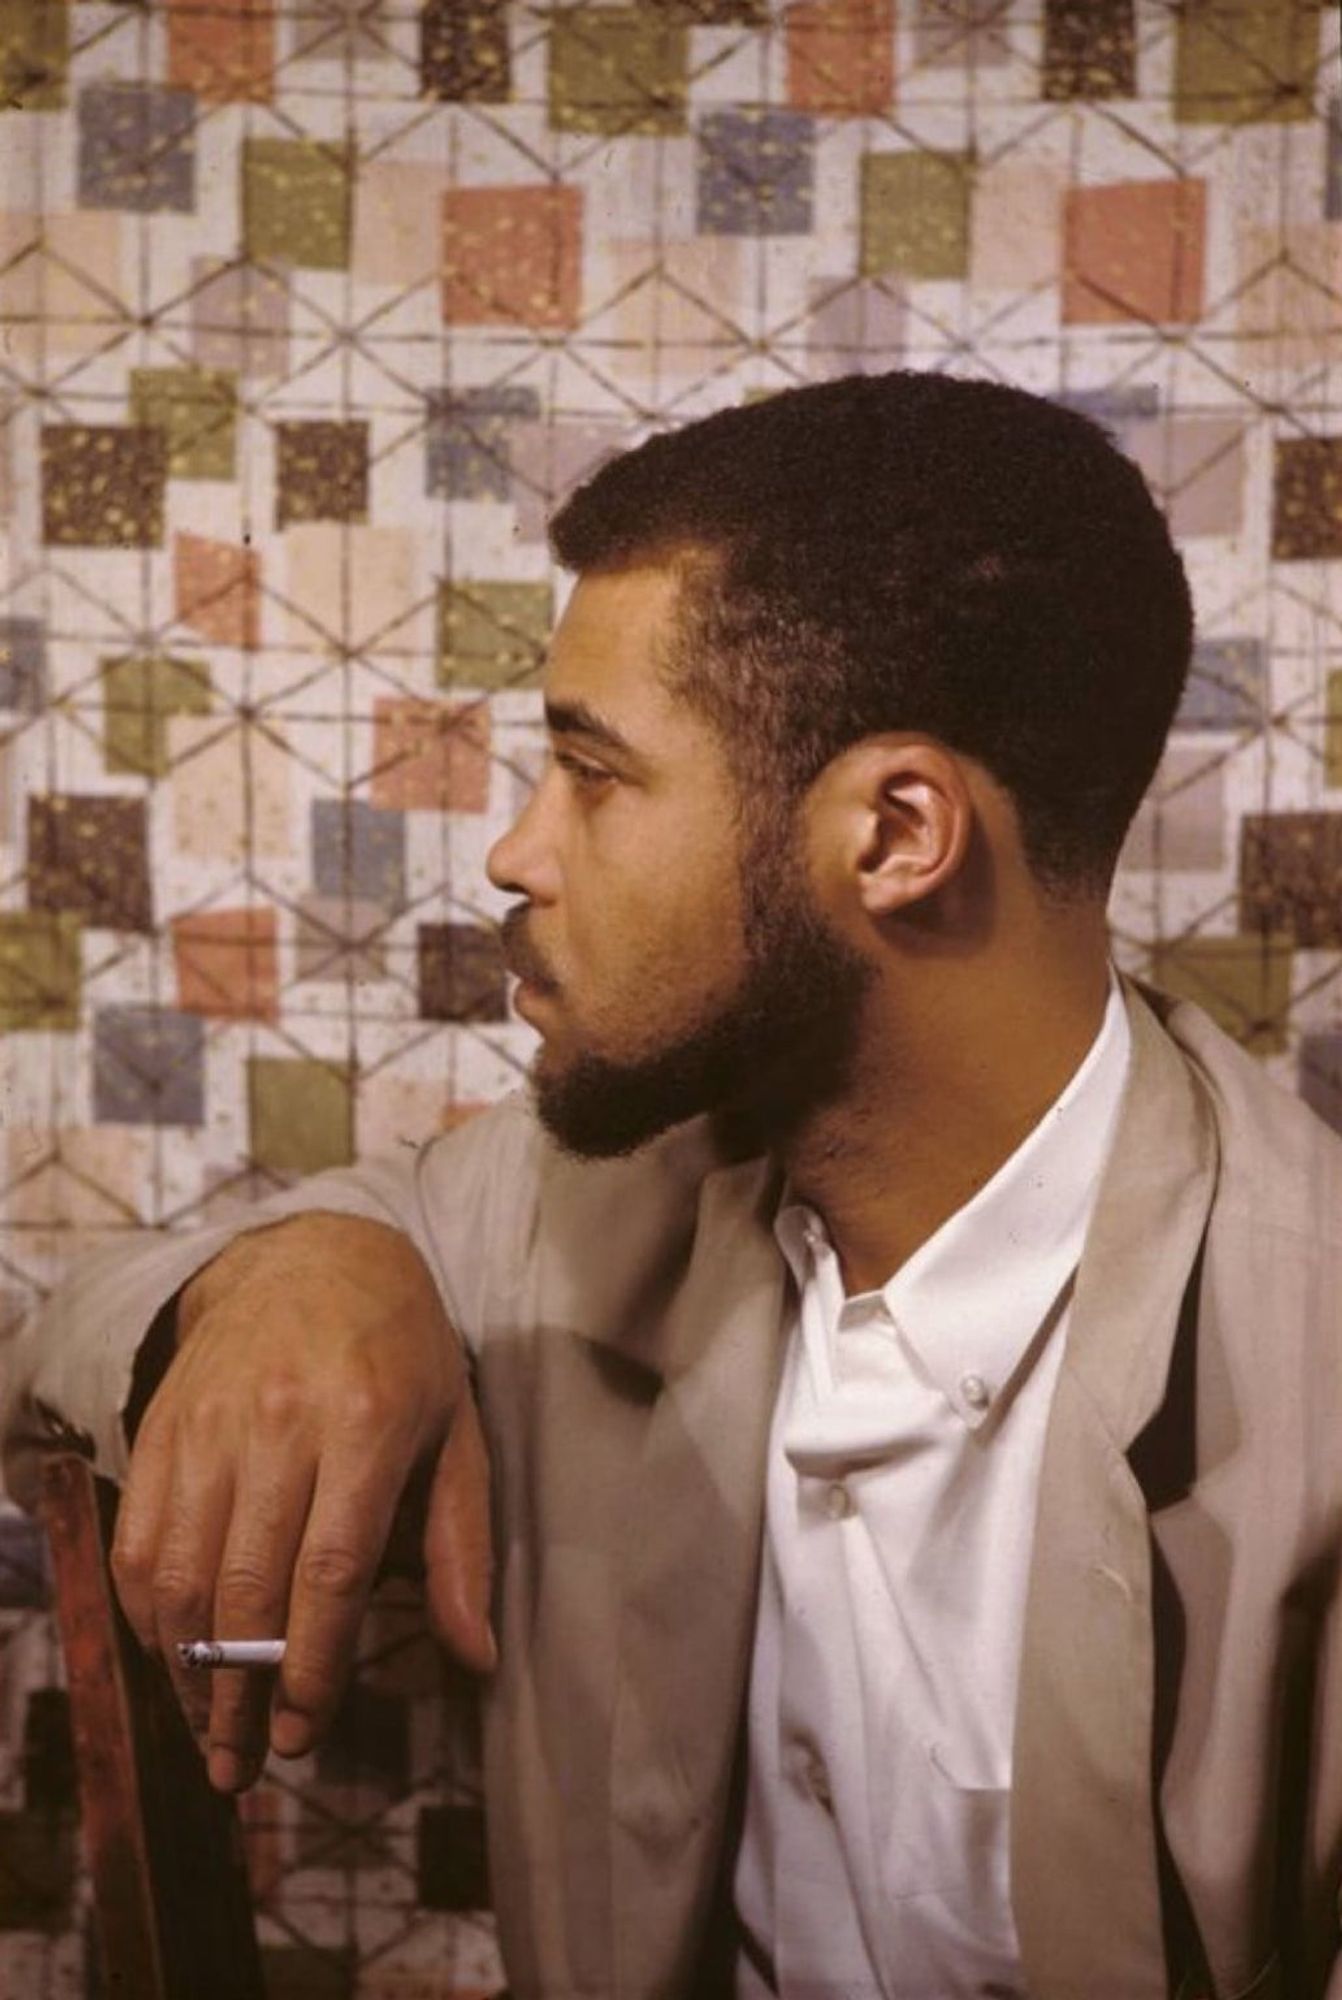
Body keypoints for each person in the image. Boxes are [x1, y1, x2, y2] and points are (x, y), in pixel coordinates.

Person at [5, 371, 1342, 1998]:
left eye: (593, 770)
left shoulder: (1309, 1353)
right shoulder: (603, 1197)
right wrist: (298, 1271)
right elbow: (59, 1344)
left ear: (894, 832)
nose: (515, 852)